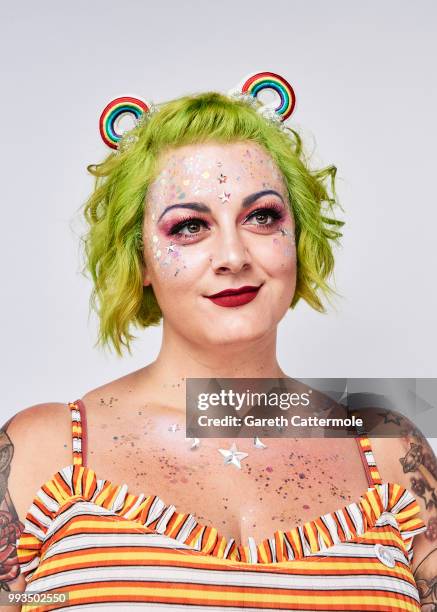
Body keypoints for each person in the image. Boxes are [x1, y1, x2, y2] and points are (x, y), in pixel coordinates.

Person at [1, 75, 436, 611]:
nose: (233, 255)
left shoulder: (390, 449)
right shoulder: (42, 451)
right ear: (137, 260)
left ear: (297, 238)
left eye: (261, 217)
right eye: (188, 227)